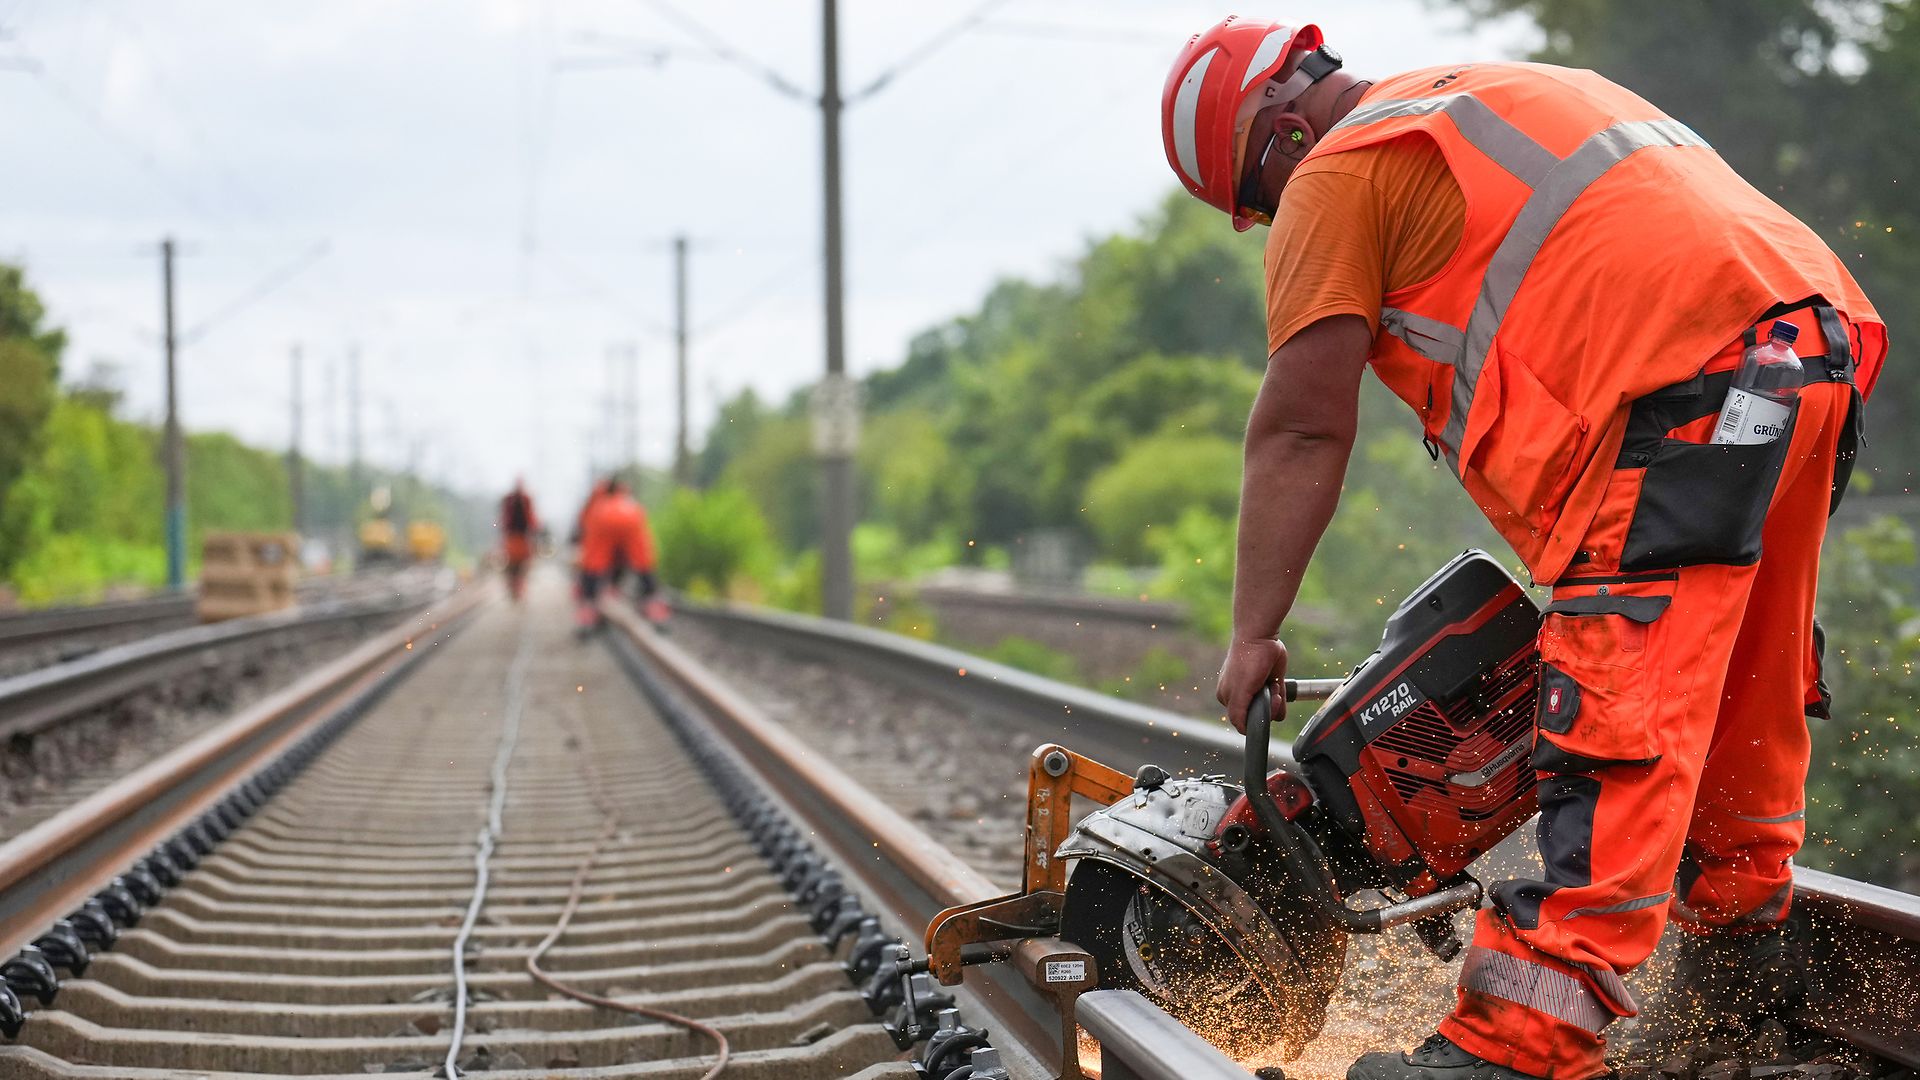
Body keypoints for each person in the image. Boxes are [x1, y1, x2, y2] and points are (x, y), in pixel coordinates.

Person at [1161, 18, 1888, 1080]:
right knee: (1735, 679)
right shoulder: (1485, 90)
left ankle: (1517, 1047)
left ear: (1275, 138)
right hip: (1805, 354)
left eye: (1258, 205)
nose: (1275, 224)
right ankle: (1741, 971)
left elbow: (1303, 426)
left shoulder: (1338, 168)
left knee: (1617, 707)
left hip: (1679, 387)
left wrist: (1252, 634)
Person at [574, 477, 661, 633]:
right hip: (631, 518)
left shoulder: (597, 500)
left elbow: (584, 522)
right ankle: (653, 603)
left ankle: (588, 610)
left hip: (602, 520)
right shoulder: (629, 500)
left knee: (593, 562)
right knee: (641, 560)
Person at [499, 479, 538, 601]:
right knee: (514, 565)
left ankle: (516, 586)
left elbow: (531, 519)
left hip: (519, 538)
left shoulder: (523, 500)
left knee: (518, 565)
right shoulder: (513, 500)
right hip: (514, 538)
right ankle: (515, 587)